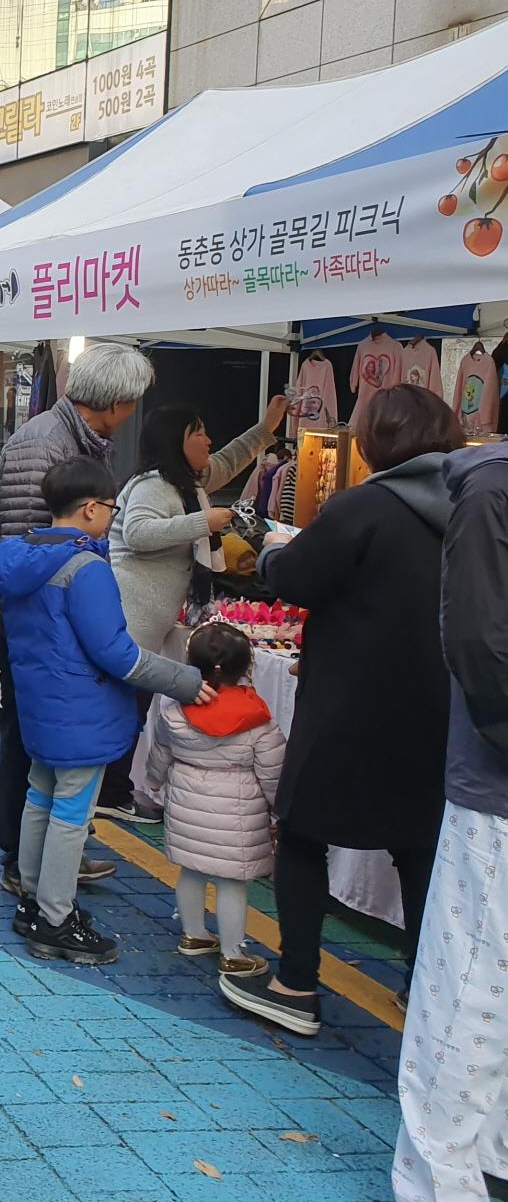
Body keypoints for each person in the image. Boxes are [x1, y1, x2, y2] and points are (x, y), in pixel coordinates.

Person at [223, 384, 462, 1036]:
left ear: (376, 438)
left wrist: (266, 549)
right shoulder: (475, 508)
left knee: (303, 833)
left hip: (350, 704)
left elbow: (295, 576)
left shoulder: (365, 507)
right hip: (438, 707)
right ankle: (427, 988)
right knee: (419, 849)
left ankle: (295, 982)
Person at [0, 457, 208, 965]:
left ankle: (35, 900)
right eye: (111, 507)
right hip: (83, 710)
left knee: (40, 796)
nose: (112, 517)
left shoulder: (19, 559)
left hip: (42, 706)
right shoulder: (86, 568)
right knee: (71, 813)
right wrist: (186, 682)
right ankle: (57, 918)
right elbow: (117, 653)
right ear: (89, 508)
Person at [0, 341, 155, 897]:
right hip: (27, 616)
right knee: (29, 730)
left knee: (44, 734)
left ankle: (46, 855)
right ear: (115, 403)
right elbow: (19, 558)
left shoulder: (79, 438)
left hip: (46, 613)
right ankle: (22, 862)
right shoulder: (44, 444)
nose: (132, 413)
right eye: (132, 403)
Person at [392, 431, 508, 1201]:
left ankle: (487, 1155)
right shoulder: (493, 489)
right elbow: (476, 640)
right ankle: (440, 1180)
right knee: (468, 989)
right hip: (495, 792)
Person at [104, 395, 286, 820]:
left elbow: (231, 458)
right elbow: (138, 533)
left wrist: (268, 426)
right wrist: (204, 522)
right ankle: (110, 793)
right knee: (127, 707)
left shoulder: (191, 481)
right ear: (175, 442)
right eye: (197, 432)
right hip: (134, 617)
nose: (208, 440)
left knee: (135, 705)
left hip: (154, 617)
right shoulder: (154, 484)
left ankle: (111, 789)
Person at [144, 621, 284, 978]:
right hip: (238, 815)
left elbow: (160, 752)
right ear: (246, 667)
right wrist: (279, 810)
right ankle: (234, 952)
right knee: (232, 883)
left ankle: (193, 935)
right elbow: (272, 773)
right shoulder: (258, 721)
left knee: (191, 871)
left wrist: (154, 781)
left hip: (187, 805)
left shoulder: (174, 710)